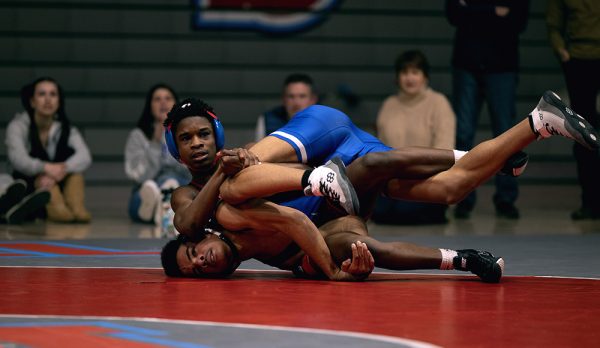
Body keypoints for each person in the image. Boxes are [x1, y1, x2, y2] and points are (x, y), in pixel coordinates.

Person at [160, 90, 598, 282]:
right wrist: (333, 269)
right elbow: (191, 223)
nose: (197, 145)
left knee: (234, 190)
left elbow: (188, 220)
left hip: (318, 138)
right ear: (174, 151)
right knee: (444, 191)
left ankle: (316, 179)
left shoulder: (225, 200)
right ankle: (537, 124)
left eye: (201, 135)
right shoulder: (223, 220)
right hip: (345, 182)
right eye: (186, 140)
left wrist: (329, 273)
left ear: (214, 134)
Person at [446, 0, 530, 219]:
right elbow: (453, 14)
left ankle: (506, 198)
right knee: (463, 133)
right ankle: (463, 195)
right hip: (467, 63)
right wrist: (494, 11)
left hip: (502, 65)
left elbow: (519, 20)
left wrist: (473, 10)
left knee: (506, 134)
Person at [374, 50, 456, 224]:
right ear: (398, 77)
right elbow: (379, 149)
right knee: (379, 210)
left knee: (404, 211)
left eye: (415, 72)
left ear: (425, 76)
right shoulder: (389, 104)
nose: (409, 78)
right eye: (404, 73)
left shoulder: (439, 103)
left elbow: (445, 152)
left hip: (428, 180)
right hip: (394, 182)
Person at [5, 77, 92, 223]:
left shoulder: (66, 129)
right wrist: (45, 167)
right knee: (61, 213)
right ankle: (35, 207)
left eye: (53, 94)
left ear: (59, 101)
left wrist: (58, 171)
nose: (48, 99)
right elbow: (18, 159)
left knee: (76, 177)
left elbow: (85, 156)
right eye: (42, 94)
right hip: (28, 181)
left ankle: (75, 209)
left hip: (55, 180)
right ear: (32, 101)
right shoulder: (18, 126)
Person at [546, 0, 600, 220]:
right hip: (579, 59)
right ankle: (590, 201)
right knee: (583, 133)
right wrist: (562, 51)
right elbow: (553, 23)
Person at [124, 84, 190, 227]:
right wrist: (155, 143)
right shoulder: (138, 136)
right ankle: (165, 205)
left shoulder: (188, 133)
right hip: (148, 186)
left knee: (172, 181)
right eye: (157, 99)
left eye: (168, 98)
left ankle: (162, 203)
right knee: (139, 201)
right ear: (150, 105)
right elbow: (140, 176)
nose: (163, 103)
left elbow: (190, 171)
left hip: (182, 185)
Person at [254, 73, 318, 141]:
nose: (296, 102)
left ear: (313, 99)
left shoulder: (323, 122)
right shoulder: (267, 120)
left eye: (302, 96)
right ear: (283, 99)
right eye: (291, 96)